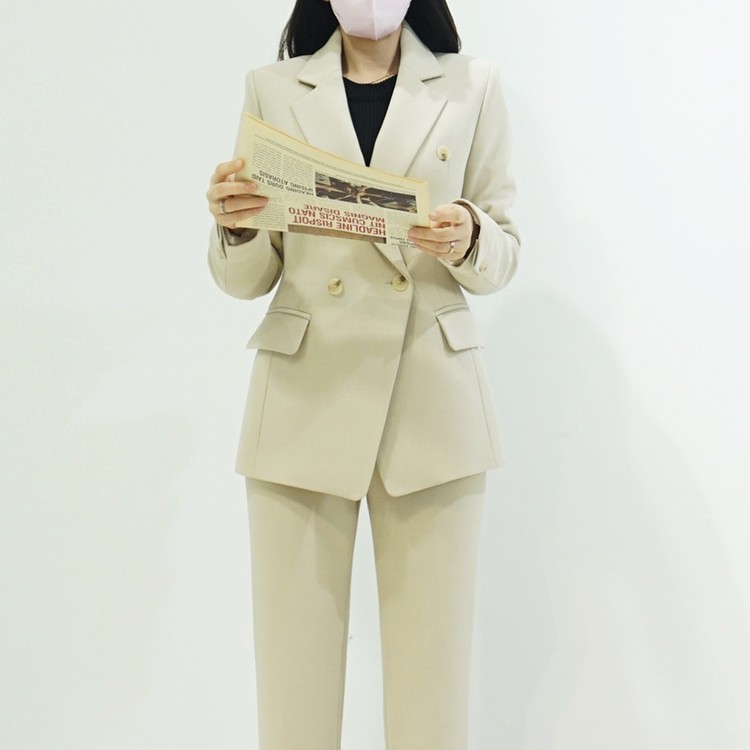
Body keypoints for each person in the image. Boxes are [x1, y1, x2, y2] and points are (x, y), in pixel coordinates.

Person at [205, 1, 521, 749]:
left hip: (431, 404)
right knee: (292, 695)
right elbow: (245, 279)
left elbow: (505, 251)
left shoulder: (473, 84)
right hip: (304, 400)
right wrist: (236, 225)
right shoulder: (273, 87)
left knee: (431, 698)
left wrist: (470, 235)